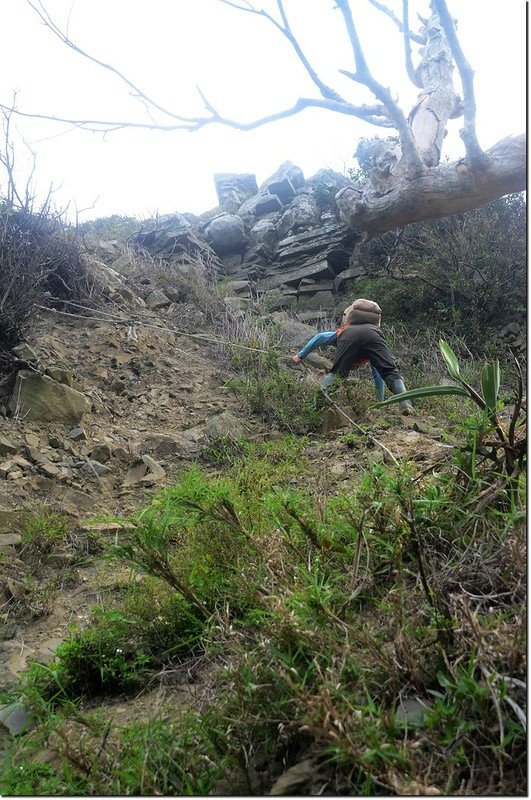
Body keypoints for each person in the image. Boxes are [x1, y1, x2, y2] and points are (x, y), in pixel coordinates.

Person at [292, 298, 413, 414]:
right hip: (373, 335)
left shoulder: (344, 330)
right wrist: (379, 400)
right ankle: (406, 403)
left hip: (348, 336)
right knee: (390, 371)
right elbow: (378, 374)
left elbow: (320, 337)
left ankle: (318, 403)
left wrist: (300, 356)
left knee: (337, 373)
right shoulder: (373, 330)